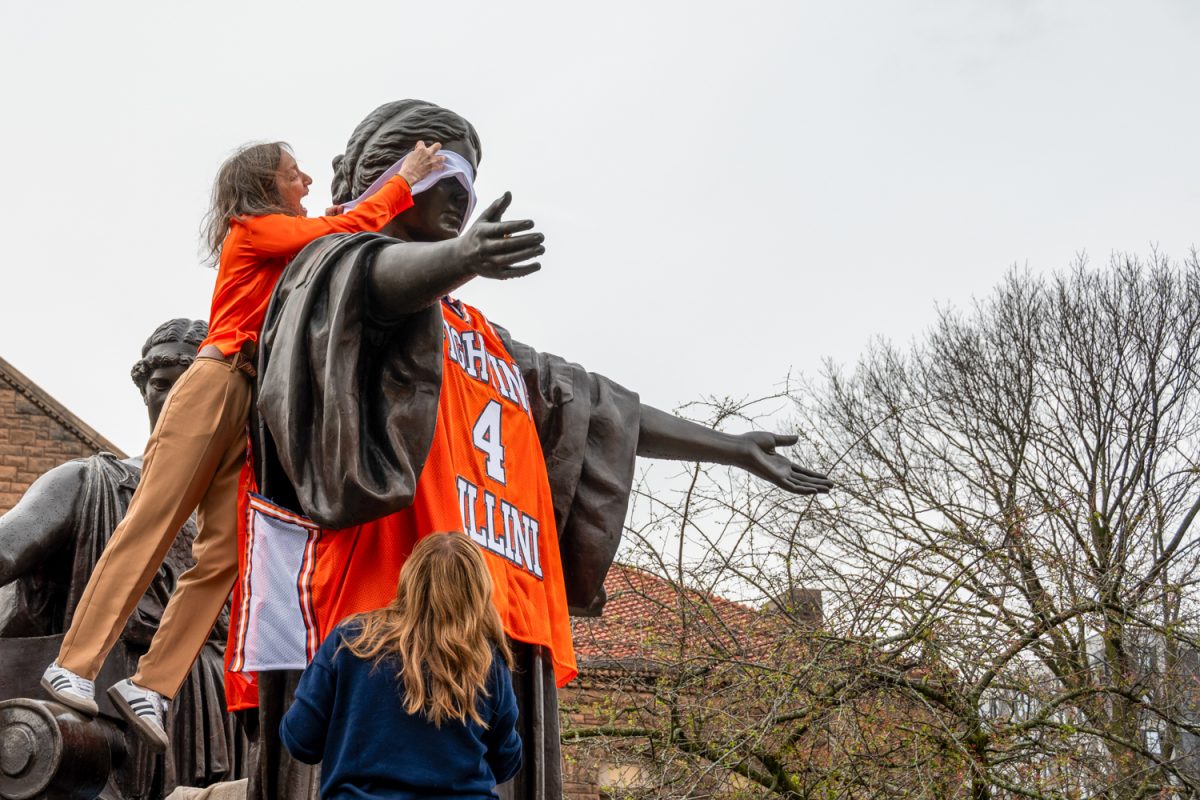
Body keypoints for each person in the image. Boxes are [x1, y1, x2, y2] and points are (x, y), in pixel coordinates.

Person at [230, 99, 832, 800]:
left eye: (472, 182)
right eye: (443, 171)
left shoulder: (488, 341)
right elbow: (370, 279)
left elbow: (606, 407)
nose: (463, 194)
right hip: (376, 614)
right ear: (385, 179)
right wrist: (458, 260)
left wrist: (732, 448)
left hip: (500, 618)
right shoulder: (329, 273)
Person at [41, 139, 446, 753]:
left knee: (226, 551)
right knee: (152, 522)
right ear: (264, 184)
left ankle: (152, 684)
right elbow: (342, 229)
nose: (306, 180)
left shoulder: (284, 234)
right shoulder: (252, 229)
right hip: (216, 381)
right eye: (293, 173)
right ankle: (73, 663)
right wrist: (403, 179)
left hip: (255, 400)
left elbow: (338, 235)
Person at [0, 318, 249, 795]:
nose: (180, 401)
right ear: (144, 391)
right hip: (111, 705)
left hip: (219, 708)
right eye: (163, 386)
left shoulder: (247, 501)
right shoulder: (89, 482)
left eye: (192, 386)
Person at [280, 532, 522, 799]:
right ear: (479, 591)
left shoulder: (353, 640)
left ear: (410, 578)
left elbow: (299, 740)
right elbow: (507, 762)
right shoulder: (488, 661)